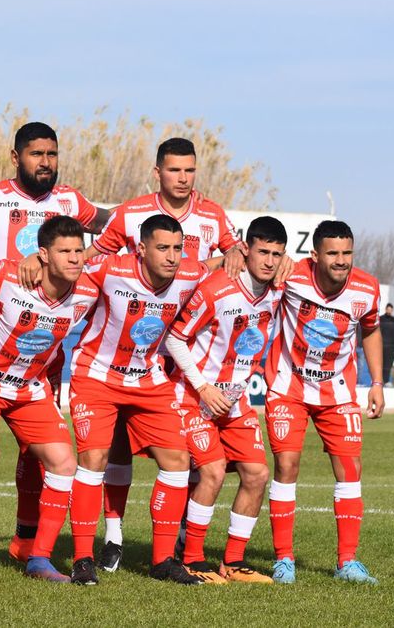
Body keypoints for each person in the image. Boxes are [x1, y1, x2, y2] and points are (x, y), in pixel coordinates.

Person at [65, 137, 249, 573]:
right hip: (103, 368)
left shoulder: (204, 239)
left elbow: (236, 255)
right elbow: (87, 259)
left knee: (181, 459)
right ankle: (97, 547)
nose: (183, 178)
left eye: (190, 170)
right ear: (158, 172)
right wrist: (42, 260)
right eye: (175, 170)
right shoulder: (126, 225)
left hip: (166, 360)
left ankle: (170, 551)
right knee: (105, 454)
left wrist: (265, 259)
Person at [0, 121, 110, 564]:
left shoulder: (70, 200)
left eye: (51, 154)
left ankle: (27, 541)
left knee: (38, 451)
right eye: (36, 154)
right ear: (16, 158)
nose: (45, 162)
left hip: (42, 351)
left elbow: (113, 230)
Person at [0, 215, 99, 583]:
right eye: (64, 251)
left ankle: (40, 558)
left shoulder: (88, 292)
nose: (75, 258)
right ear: (43, 255)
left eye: (79, 251)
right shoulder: (7, 275)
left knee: (64, 462)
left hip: (29, 390)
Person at [66, 214, 208, 586]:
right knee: (94, 459)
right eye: (163, 248)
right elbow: (69, 265)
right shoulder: (110, 268)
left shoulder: (191, 275)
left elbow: (221, 270)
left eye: (178, 248)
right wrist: (33, 261)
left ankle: (162, 560)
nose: (172, 256)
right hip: (97, 375)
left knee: (178, 460)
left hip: (148, 378)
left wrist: (242, 256)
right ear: (141, 249)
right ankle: (82, 558)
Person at [163, 216, 287, 584]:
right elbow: (175, 338)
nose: (268, 261)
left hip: (234, 403)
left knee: (258, 473)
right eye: (262, 251)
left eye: (276, 254)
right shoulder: (217, 288)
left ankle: (233, 562)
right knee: (213, 472)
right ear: (245, 249)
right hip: (194, 398)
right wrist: (203, 386)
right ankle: (192, 559)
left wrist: (293, 264)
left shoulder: (278, 289)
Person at [265, 220, 385, 584]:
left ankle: (347, 562)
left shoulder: (367, 288)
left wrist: (377, 382)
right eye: (332, 253)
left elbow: (371, 330)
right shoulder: (292, 275)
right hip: (289, 388)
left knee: (350, 470)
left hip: (339, 394)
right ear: (314, 255)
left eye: (347, 253)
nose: (341, 260)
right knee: (287, 465)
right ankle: (284, 559)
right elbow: (256, 268)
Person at [380, 303, 394, 385]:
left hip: (391, 347)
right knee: (380, 365)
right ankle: (380, 381)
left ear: (392, 310)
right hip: (381, 346)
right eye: (388, 309)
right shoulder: (381, 319)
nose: (389, 311)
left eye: (391, 309)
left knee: (388, 365)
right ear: (386, 309)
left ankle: (386, 381)